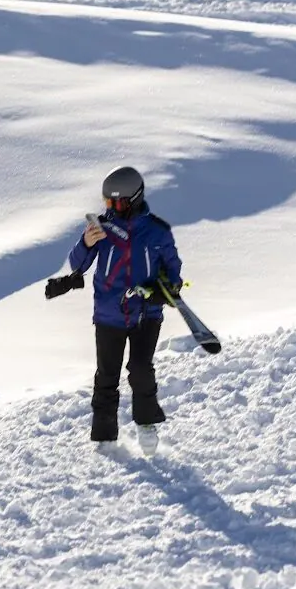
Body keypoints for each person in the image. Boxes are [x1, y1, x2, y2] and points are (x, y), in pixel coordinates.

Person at [66, 166, 183, 451]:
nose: (112, 209)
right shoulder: (103, 230)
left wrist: (165, 289)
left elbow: (174, 271)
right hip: (109, 315)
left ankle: (146, 425)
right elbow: (77, 266)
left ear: (134, 200)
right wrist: (85, 243)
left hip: (147, 314)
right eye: (108, 203)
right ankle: (105, 437)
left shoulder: (157, 232)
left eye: (117, 203)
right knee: (107, 375)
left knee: (141, 369)